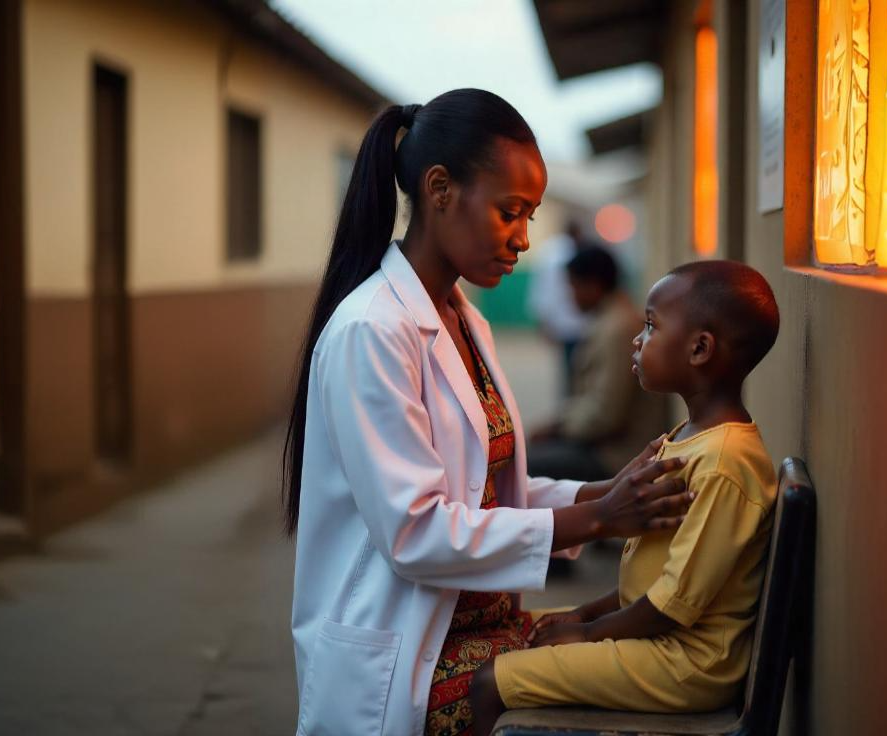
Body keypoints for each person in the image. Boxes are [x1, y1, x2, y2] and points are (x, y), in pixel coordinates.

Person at [283, 89, 696, 736]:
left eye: (530, 216)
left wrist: (607, 492)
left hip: (479, 625)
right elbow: (416, 532)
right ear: (440, 189)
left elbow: (483, 493)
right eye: (510, 212)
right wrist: (596, 518)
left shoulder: (463, 320)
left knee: (632, 656)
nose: (524, 240)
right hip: (414, 655)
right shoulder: (373, 331)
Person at [468, 260, 782, 734]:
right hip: (662, 641)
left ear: (699, 349)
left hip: (686, 664)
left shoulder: (724, 462)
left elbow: (675, 602)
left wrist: (588, 634)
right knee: (519, 632)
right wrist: (585, 612)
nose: (638, 340)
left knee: (490, 681)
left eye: (652, 326)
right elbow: (656, 577)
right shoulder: (691, 437)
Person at [528, 245, 667, 482]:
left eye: (573, 287)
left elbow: (604, 416)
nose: (570, 296)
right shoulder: (611, 319)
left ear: (593, 285)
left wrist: (557, 428)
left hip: (617, 457)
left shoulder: (618, 329)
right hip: (604, 446)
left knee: (523, 466)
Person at [526, 222, 590, 395]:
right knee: (577, 367)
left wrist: (543, 318)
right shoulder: (572, 251)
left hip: (562, 319)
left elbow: (542, 288)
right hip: (576, 320)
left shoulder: (550, 251)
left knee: (570, 366)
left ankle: (570, 403)